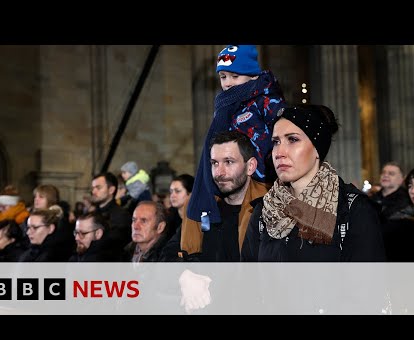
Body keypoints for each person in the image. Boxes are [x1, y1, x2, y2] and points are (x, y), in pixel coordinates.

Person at [242, 104, 386, 262]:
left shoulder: (353, 210)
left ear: (317, 149)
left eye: (293, 139)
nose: (279, 153)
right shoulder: (264, 210)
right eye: (276, 142)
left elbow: (368, 283)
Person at [187, 45, 285, 227]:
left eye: (235, 76)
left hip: (265, 181)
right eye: (223, 77)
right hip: (238, 181)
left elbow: (283, 137)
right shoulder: (226, 107)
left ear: (253, 76)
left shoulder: (266, 100)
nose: (228, 83)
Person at [162, 130, 270, 262]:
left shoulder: (269, 209)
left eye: (229, 162)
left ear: (250, 166)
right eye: (214, 163)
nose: (219, 172)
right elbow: (168, 253)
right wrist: (186, 272)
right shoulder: (202, 206)